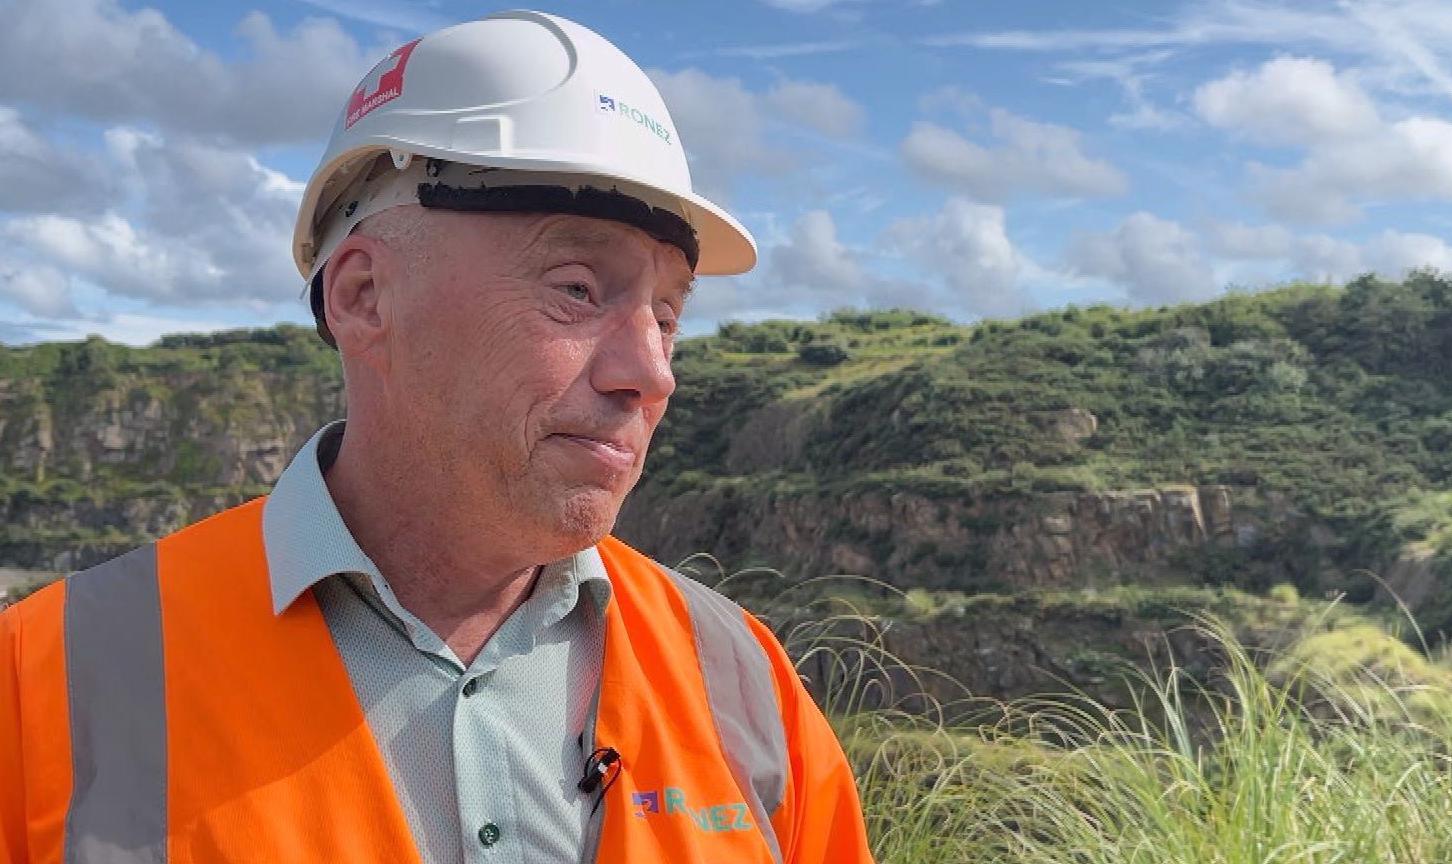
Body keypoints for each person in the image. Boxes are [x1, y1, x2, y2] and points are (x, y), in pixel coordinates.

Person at [0, 11, 874, 864]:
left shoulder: (746, 684)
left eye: (668, 316)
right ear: (364, 297)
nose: (651, 373)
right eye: (576, 288)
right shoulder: (43, 686)